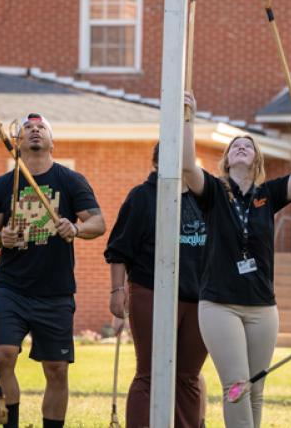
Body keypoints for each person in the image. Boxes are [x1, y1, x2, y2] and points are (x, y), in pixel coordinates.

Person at [182, 91, 291, 427]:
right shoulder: (213, 191)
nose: (241, 146)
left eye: (248, 144)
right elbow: (186, 165)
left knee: (255, 388)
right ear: (227, 160)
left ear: (256, 159)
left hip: (262, 306)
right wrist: (188, 119)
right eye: (234, 145)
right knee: (237, 386)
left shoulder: (268, 195)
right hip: (219, 304)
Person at [0, 113, 106, 428]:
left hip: (54, 291)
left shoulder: (70, 180)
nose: (35, 131)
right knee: (3, 355)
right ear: (18, 140)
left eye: (41, 128)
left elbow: (98, 222)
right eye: (28, 128)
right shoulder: (2, 185)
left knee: (57, 368)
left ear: (52, 142)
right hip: (11, 288)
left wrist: (76, 229)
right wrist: (1, 238)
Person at [105, 143, 208, 428]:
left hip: (198, 298)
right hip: (150, 291)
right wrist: (117, 291)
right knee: (150, 373)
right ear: (156, 161)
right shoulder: (142, 197)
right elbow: (118, 249)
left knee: (187, 376)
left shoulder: (205, 198)